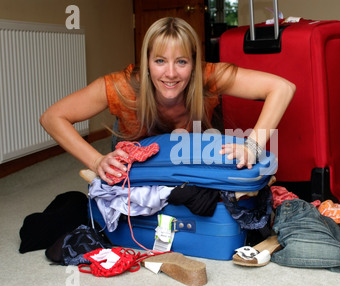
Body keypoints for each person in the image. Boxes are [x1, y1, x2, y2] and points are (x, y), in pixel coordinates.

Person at [40, 17, 295, 185]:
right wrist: (96, 161)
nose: (170, 73)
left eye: (181, 61)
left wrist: (253, 146)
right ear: (146, 62)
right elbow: (52, 117)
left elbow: (282, 88)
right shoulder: (121, 85)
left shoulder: (207, 76)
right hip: (136, 149)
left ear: (193, 63)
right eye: (160, 61)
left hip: (189, 145)